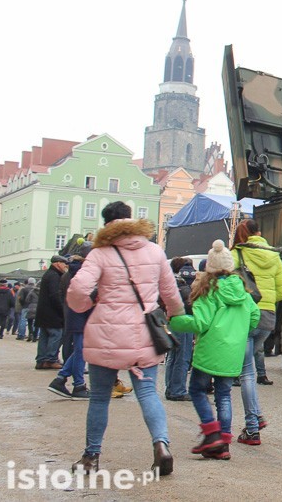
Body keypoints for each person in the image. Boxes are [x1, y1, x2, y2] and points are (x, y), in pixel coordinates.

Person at [67, 201, 185, 476]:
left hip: (105, 332)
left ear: (106, 223)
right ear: (130, 220)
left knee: (98, 398)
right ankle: (161, 446)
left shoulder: (101, 253)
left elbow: (79, 288)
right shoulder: (154, 251)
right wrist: (174, 316)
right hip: (144, 333)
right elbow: (171, 293)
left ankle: (91, 457)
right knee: (147, 393)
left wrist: (83, 306)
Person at [171, 241, 259, 460]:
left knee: (197, 390)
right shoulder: (243, 292)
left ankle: (211, 433)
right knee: (224, 395)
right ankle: (224, 444)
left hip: (210, 350)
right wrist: (239, 332)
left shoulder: (208, 290)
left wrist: (175, 321)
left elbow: (200, 323)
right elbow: (255, 317)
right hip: (232, 352)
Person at [231, 219, 282, 444]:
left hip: (245, 315)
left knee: (245, 373)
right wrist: (268, 300)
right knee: (250, 369)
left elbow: (225, 282)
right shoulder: (274, 255)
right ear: (260, 232)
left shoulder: (238, 253)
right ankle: (257, 416)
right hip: (267, 317)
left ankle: (253, 427)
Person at [48, 243, 94, 399]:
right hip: (81, 314)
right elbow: (84, 294)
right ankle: (78, 385)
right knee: (81, 351)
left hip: (75, 314)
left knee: (80, 350)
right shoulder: (82, 271)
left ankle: (61, 379)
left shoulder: (72, 271)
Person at [164, 257, 197, 401]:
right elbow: (189, 305)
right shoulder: (184, 285)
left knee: (172, 357)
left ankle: (170, 387)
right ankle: (178, 390)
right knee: (183, 357)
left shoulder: (169, 282)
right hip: (184, 322)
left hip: (172, 321)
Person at [35, 256, 68, 369]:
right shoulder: (54, 276)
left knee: (44, 336)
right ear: (57, 263)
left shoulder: (48, 274)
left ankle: (41, 360)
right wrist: (62, 309)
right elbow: (55, 295)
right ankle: (50, 359)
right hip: (52, 313)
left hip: (44, 312)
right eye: (64, 263)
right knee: (56, 335)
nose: (65, 266)